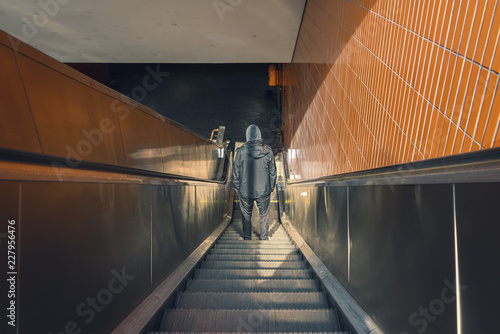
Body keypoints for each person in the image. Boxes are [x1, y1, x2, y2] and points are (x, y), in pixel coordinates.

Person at [232, 125, 277, 240]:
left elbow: (236, 173)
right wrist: (270, 188)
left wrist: (238, 189)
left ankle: (247, 238)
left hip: (245, 191)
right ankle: (264, 238)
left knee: (246, 215)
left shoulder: (241, 152)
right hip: (263, 190)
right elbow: (273, 172)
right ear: (259, 135)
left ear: (247, 136)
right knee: (264, 216)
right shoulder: (268, 151)